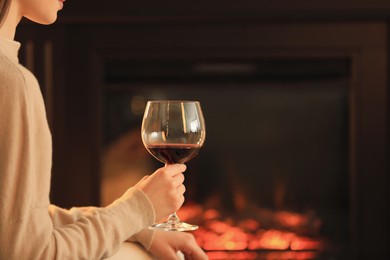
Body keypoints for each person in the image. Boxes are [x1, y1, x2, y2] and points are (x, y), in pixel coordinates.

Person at [0, 0, 208, 259]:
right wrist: (138, 209)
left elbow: (18, 222)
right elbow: (31, 253)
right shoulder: (12, 83)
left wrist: (140, 229)